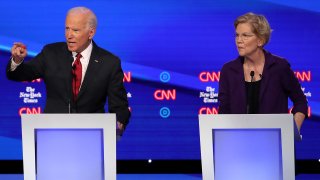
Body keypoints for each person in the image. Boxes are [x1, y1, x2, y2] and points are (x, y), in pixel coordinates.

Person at [7, 7, 130, 134]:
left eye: (75, 30)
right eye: (67, 28)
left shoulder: (109, 62)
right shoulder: (51, 53)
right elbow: (19, 74)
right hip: (52, 134)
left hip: (91, 137)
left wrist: (117, 126)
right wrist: (16, 60)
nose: (69, 35)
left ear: (91, 33)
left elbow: (119, 106)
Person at [218, 12, 308, 131]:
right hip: (239, 142)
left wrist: (292, 131)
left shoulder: (279, 67)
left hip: (275, 143)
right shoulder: (228, 70)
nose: (239, 40)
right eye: (237, 35)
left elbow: (300, 102)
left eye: (245, 35)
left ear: (260, 40)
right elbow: (224, 112)